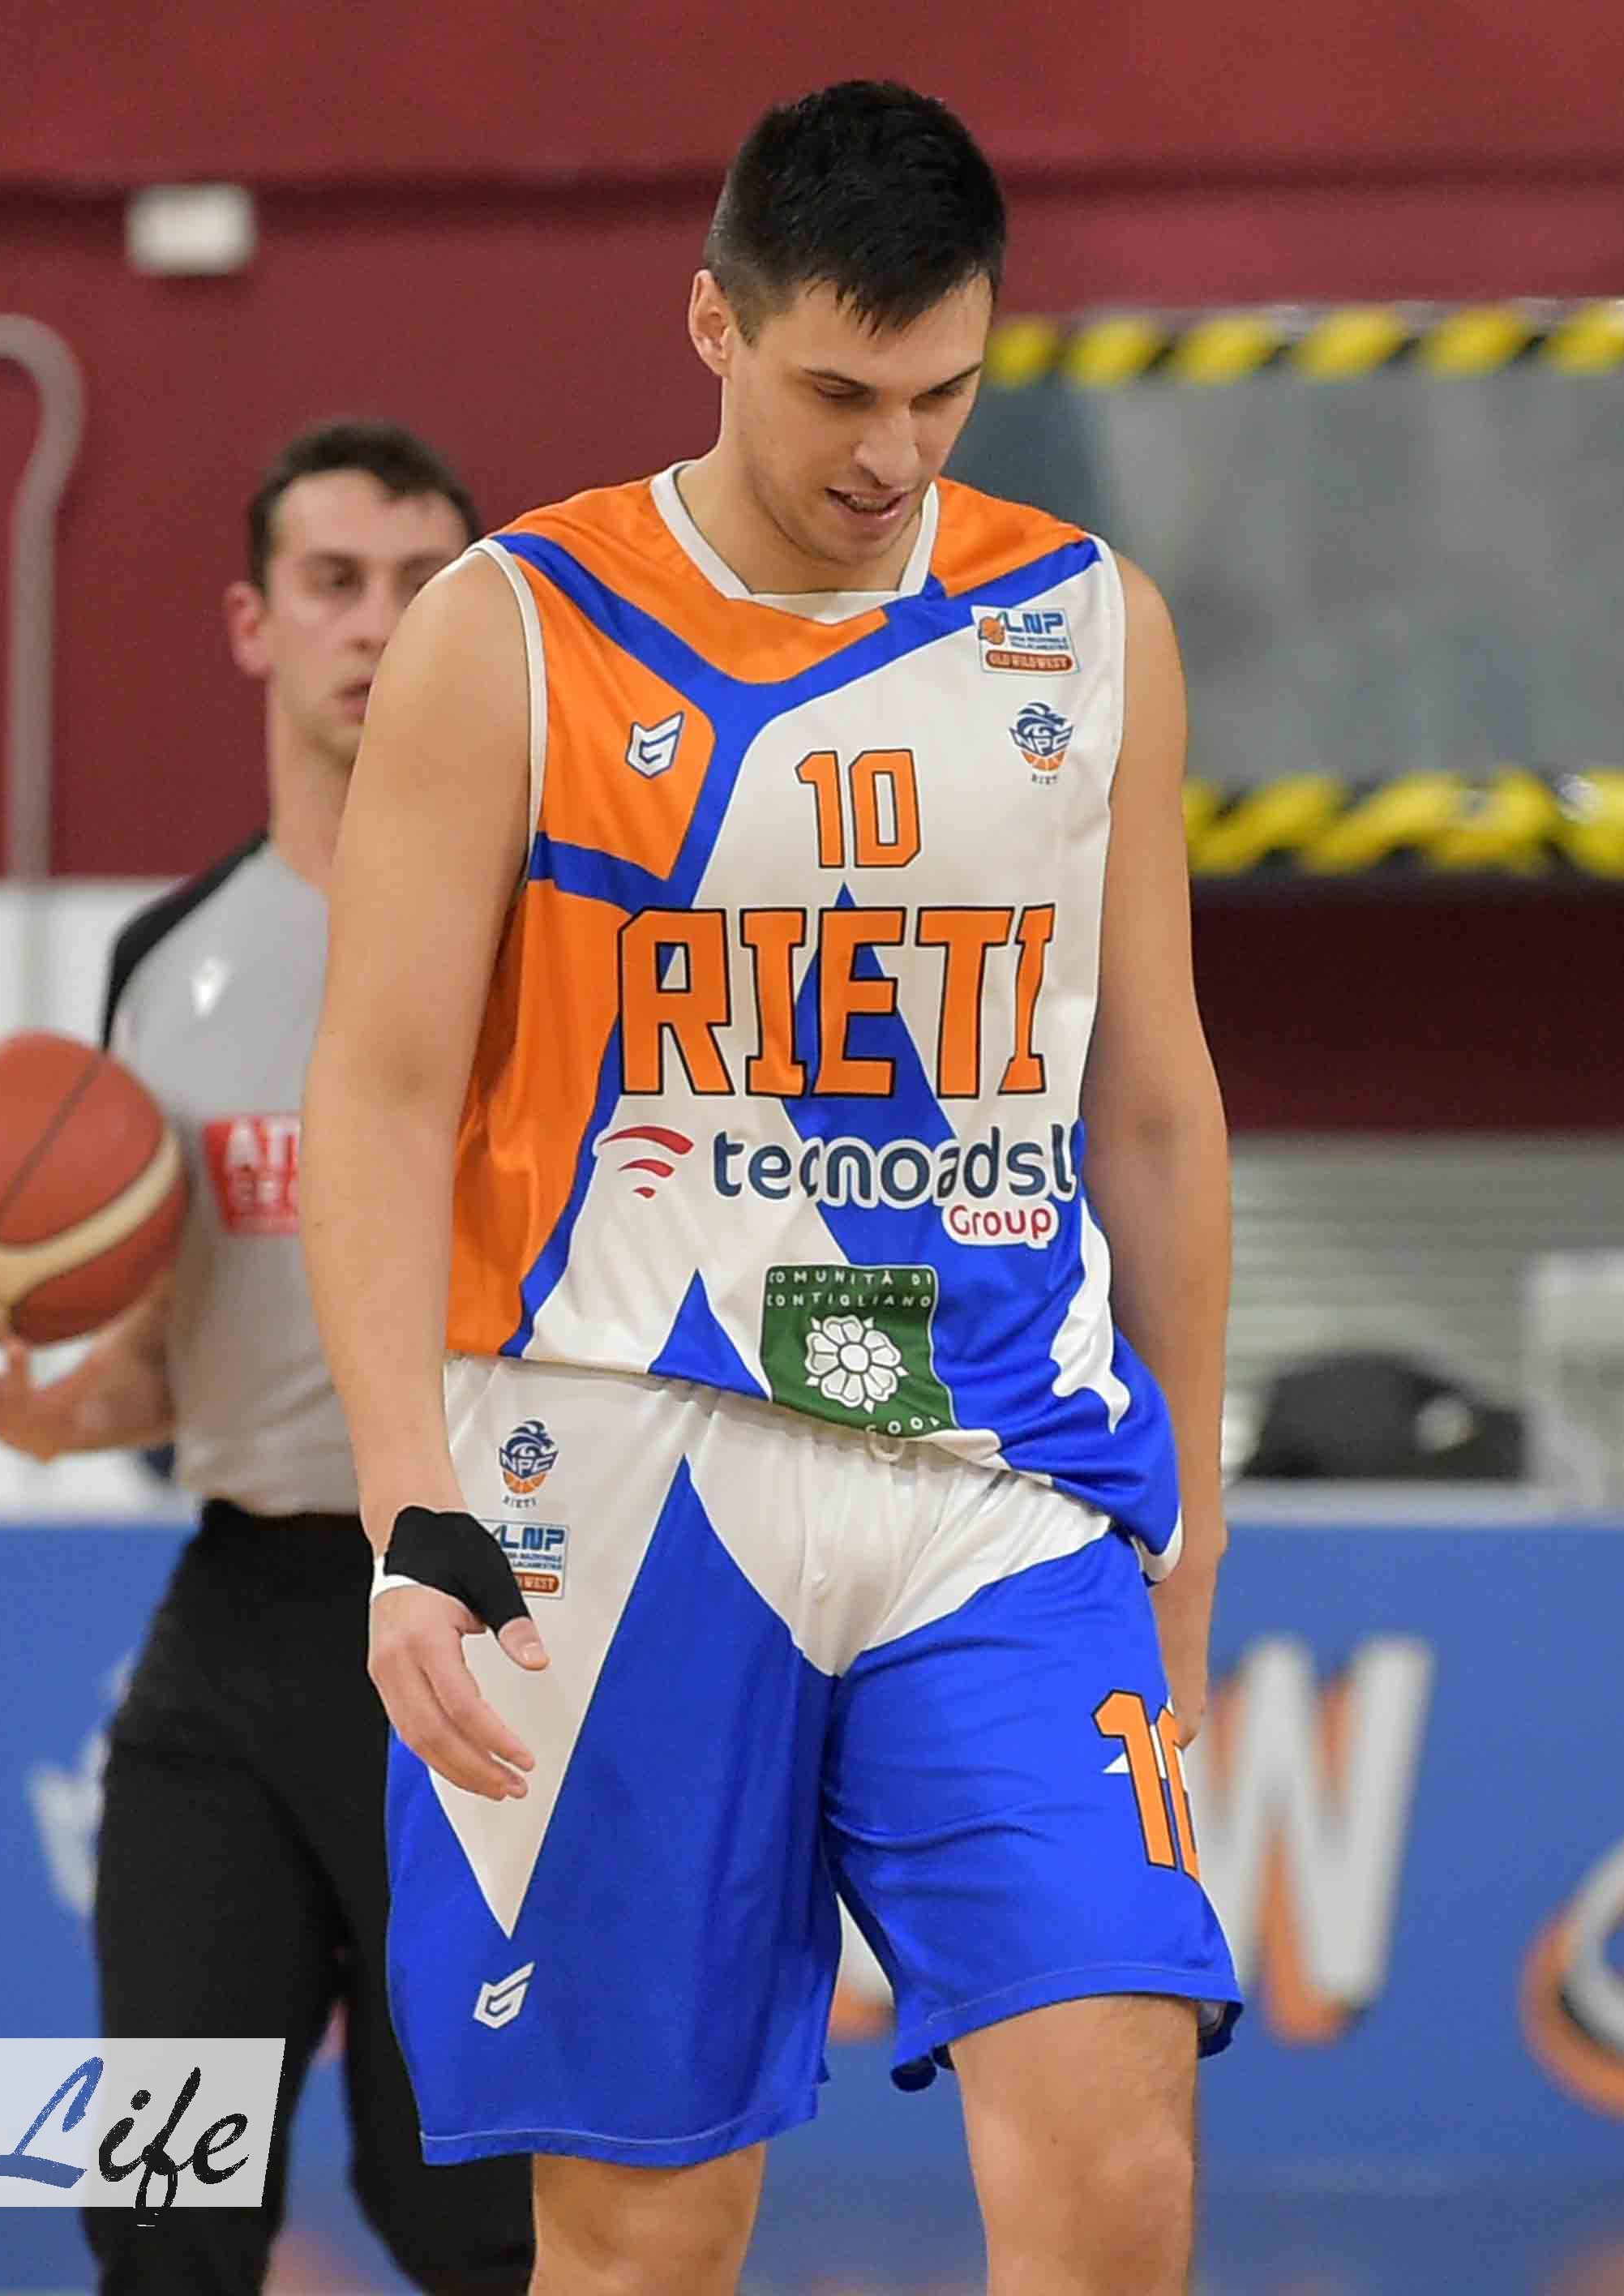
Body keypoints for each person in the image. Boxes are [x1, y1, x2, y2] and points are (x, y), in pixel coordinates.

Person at [300, 83, 1239, 2296]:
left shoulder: (1089, 627)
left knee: (1120, 2155)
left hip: (994, 1466)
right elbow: (379, 1094)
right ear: (713, 325)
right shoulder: (510, 628)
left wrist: (1191, 1531)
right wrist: (408, 1508)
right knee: (644, 2238)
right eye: (840, 391)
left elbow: (1158, 1109)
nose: (892, 454)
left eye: (944, 393)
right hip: (615, 1455)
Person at [0, 422, 533, 2296]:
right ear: (255, 622)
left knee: (472, 2222)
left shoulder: (555, 944)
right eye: (335, 582)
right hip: (236, 1627)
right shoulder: (167, 964)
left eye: (421, 586)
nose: (377, 625)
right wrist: (48, 1407)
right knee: (168, 2208)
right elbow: (180, 1362)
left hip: (486, 1624)